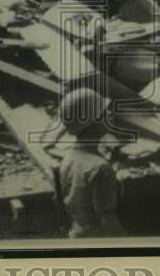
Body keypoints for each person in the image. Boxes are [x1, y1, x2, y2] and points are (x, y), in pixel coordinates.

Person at [57, 87, 125, 238]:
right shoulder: (100, 167)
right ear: (92, 122)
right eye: (103, 112)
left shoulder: (67, 160)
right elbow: (108, 220)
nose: (109, 113)